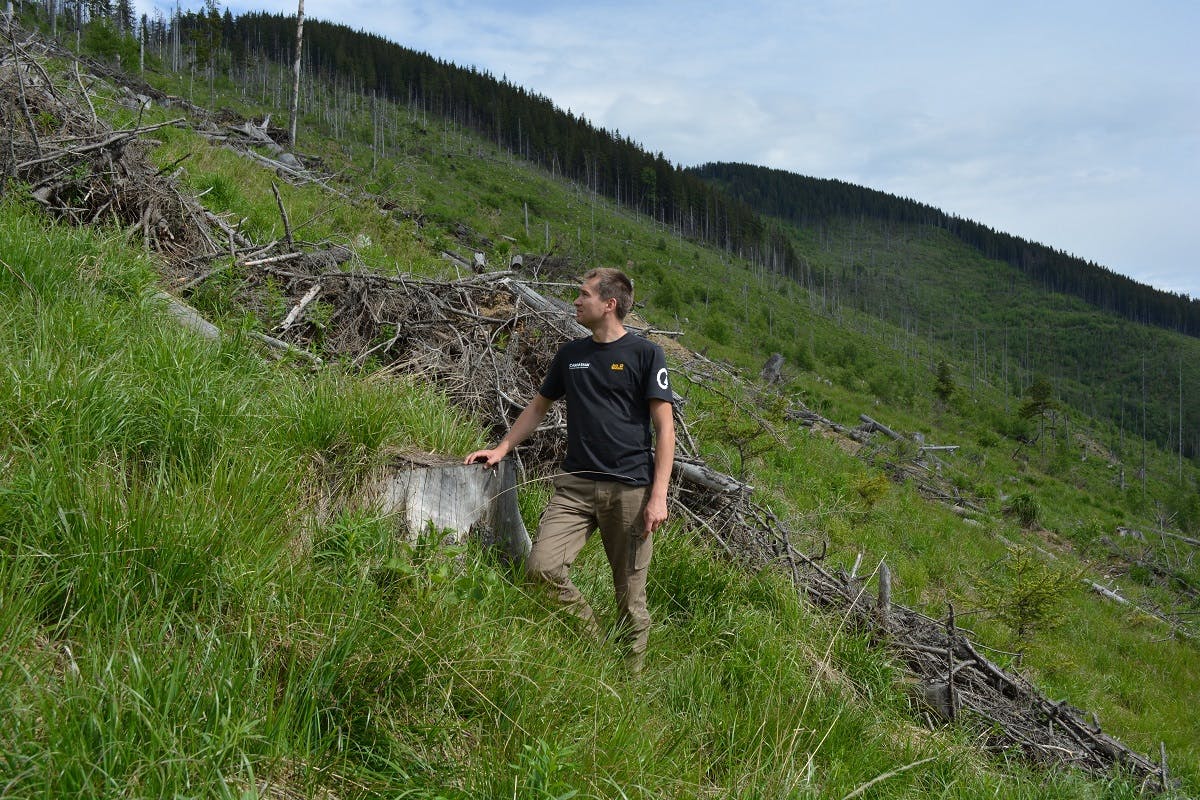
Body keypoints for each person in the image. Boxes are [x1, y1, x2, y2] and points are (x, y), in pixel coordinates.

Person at [465, 267, 675, 672]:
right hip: (575, 487)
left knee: (630, 599)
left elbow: (665, 430)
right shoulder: (571, 355)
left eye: (584, 295)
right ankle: (595, 650)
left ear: (609, 304)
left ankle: (628, 687)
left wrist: (658, 497)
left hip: (630, 490)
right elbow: (539, 407)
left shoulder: (646, 354)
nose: (576, 302)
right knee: (541, 568)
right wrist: (501, 447)